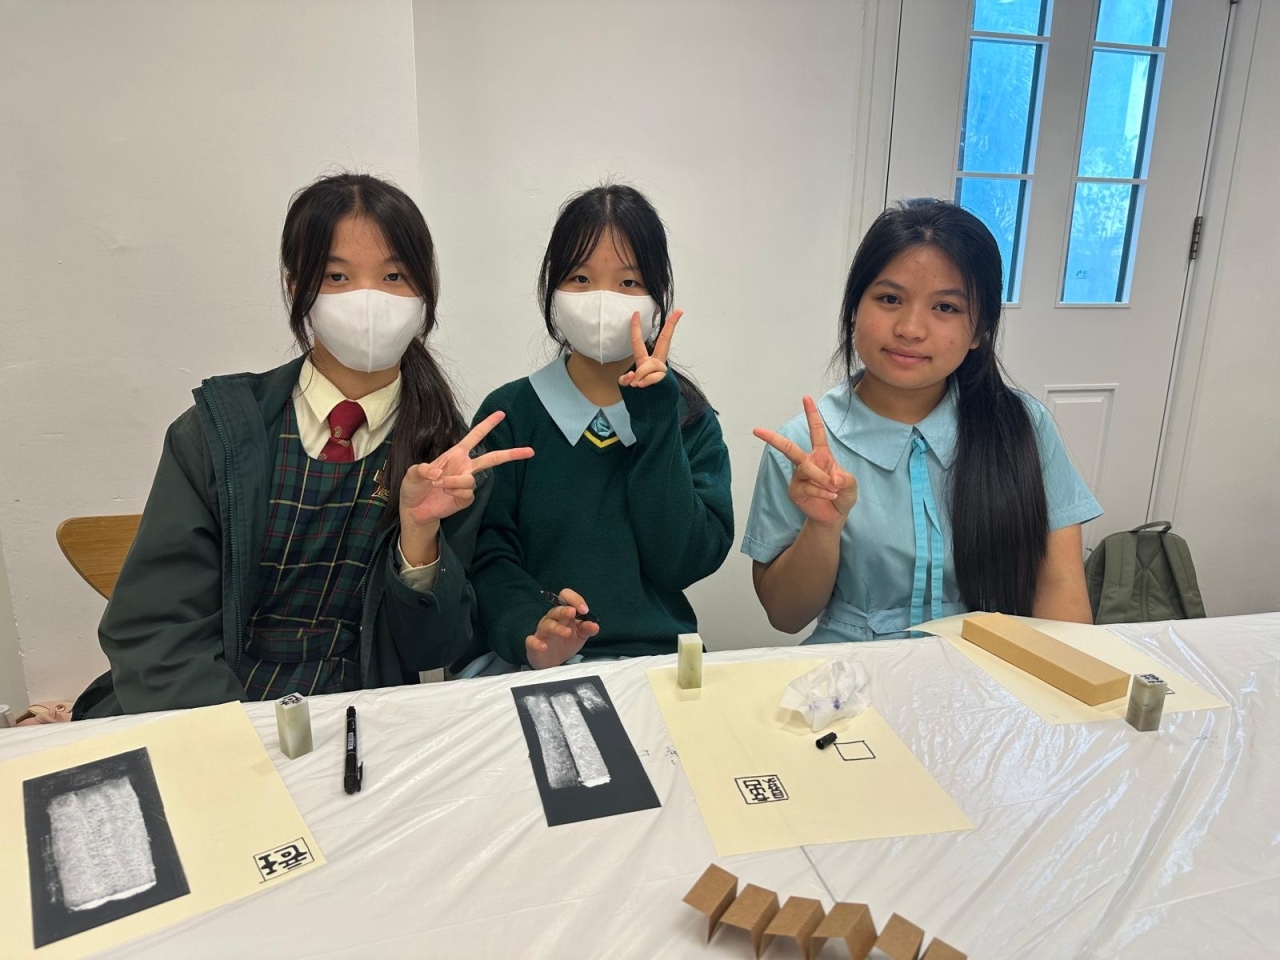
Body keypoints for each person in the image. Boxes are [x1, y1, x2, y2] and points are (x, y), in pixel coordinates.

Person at [74, 173, 531, 717]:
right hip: (210, 708)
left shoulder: (448, 460)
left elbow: (433, 650)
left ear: (424, 291)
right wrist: (240, 740)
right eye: (337, 276)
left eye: (393, 276)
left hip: (356, 714)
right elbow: (157, 630)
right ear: (297, 288)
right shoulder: (217, 434)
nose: (368, 300)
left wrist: (418, 539)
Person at [744, 198, 1102, 643]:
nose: (911, 329)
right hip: (855, 673)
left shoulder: (1022, 428)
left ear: (980, 329)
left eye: (946, 307)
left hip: (989, 669)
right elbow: (785, 615)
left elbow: (1061, 591)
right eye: (890, 299)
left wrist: (1057, 680)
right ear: (854, 309)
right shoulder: (803, 448)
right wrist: (823, 527)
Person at [469, 184, 733, 669]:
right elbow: (486, 555)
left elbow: (684, 562)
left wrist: (656, 421)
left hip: (657, 662)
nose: (601, 301)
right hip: (533, 665)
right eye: (580, 278)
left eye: (629, 282)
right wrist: (533, 628)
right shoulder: (509, 414)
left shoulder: (688, 417)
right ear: (552, 290)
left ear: (658, 298)